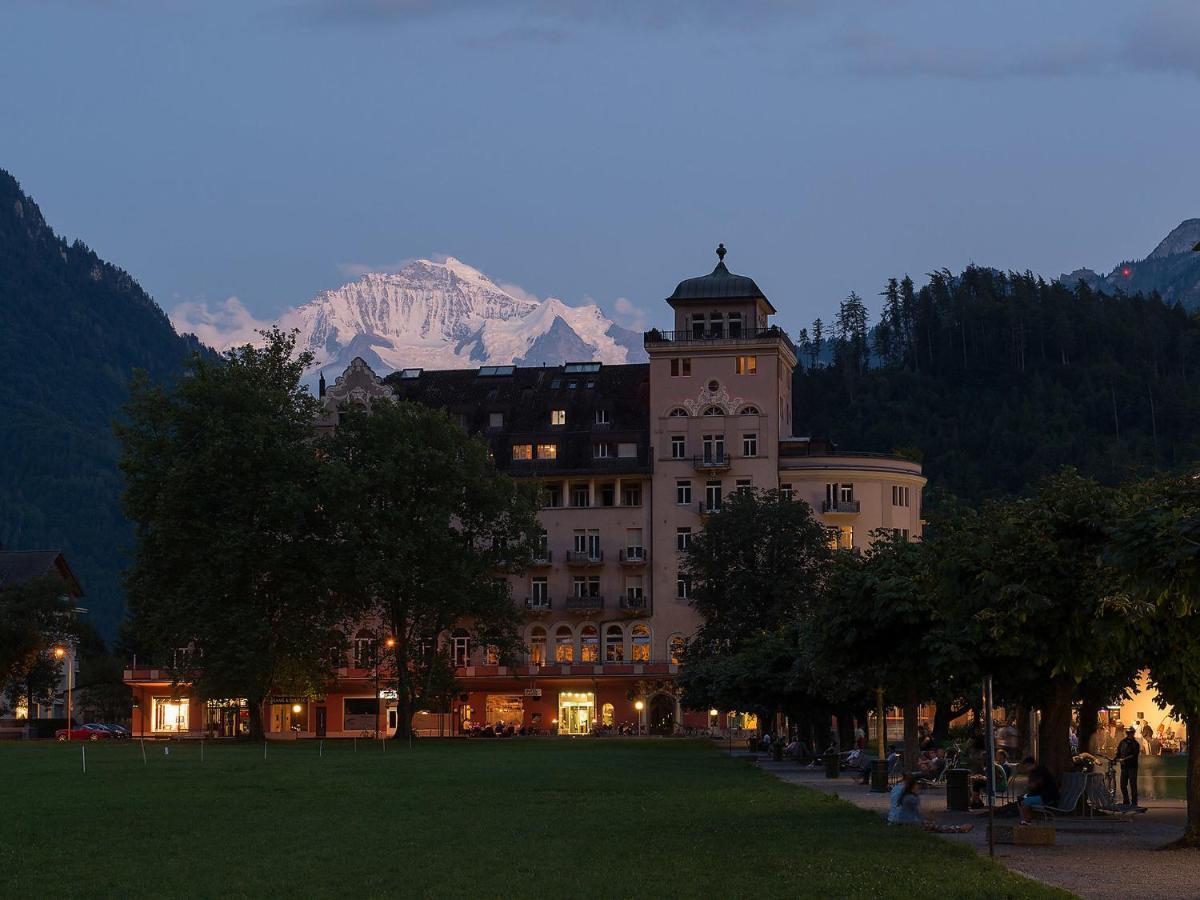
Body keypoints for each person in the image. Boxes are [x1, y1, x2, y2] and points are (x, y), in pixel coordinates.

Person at [888, 775, 974, 833]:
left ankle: (959, 828)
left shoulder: (903, 794)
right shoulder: (912, 798)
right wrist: (933, 817)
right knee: (935, 827)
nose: (919, 787)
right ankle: (960, 828)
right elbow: (922, 811)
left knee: (930, 824)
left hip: (900, 822)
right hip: (909, 824)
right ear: (913, 786)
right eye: (918, 785)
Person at [1114, 725, 1141, 807]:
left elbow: (1134, 755)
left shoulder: (1135, 744)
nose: (1130, 734)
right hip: (1124, 767)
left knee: (1133, 785)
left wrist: (1124, 759)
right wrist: (1116, 759)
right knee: (1123, 784)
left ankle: (1134, 802)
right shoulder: (1122, 742)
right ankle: (1126, 800)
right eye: (1129, 733)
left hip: (1132, 766)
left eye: (1131, 733)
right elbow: (1118, 752)